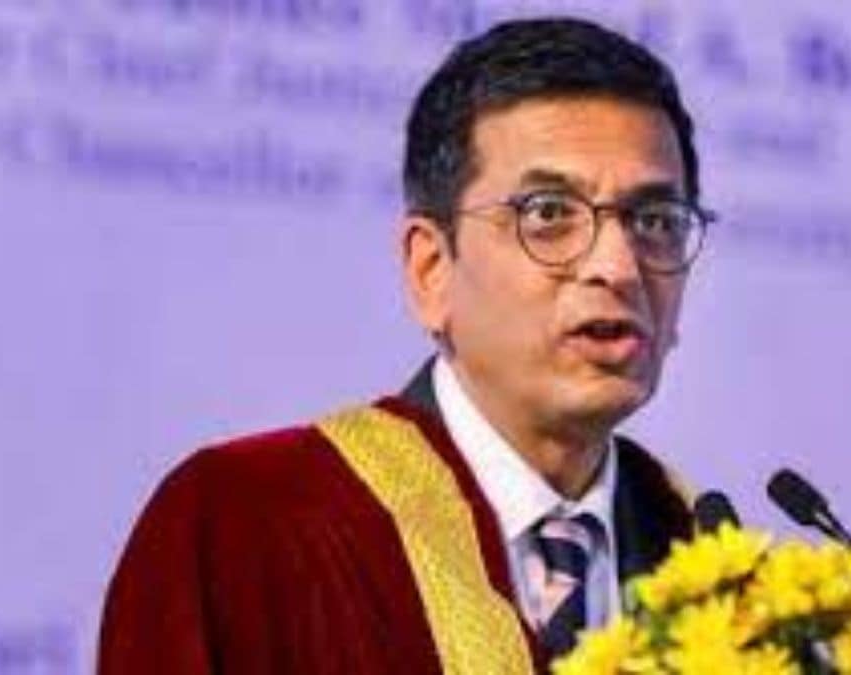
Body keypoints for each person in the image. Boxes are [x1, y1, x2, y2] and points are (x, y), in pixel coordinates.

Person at [98, 16, 715, 675]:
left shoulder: (709, 562)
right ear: (431, 270)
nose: (619, 267)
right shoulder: (244, 524)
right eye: (549, 214)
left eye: (655, 221)